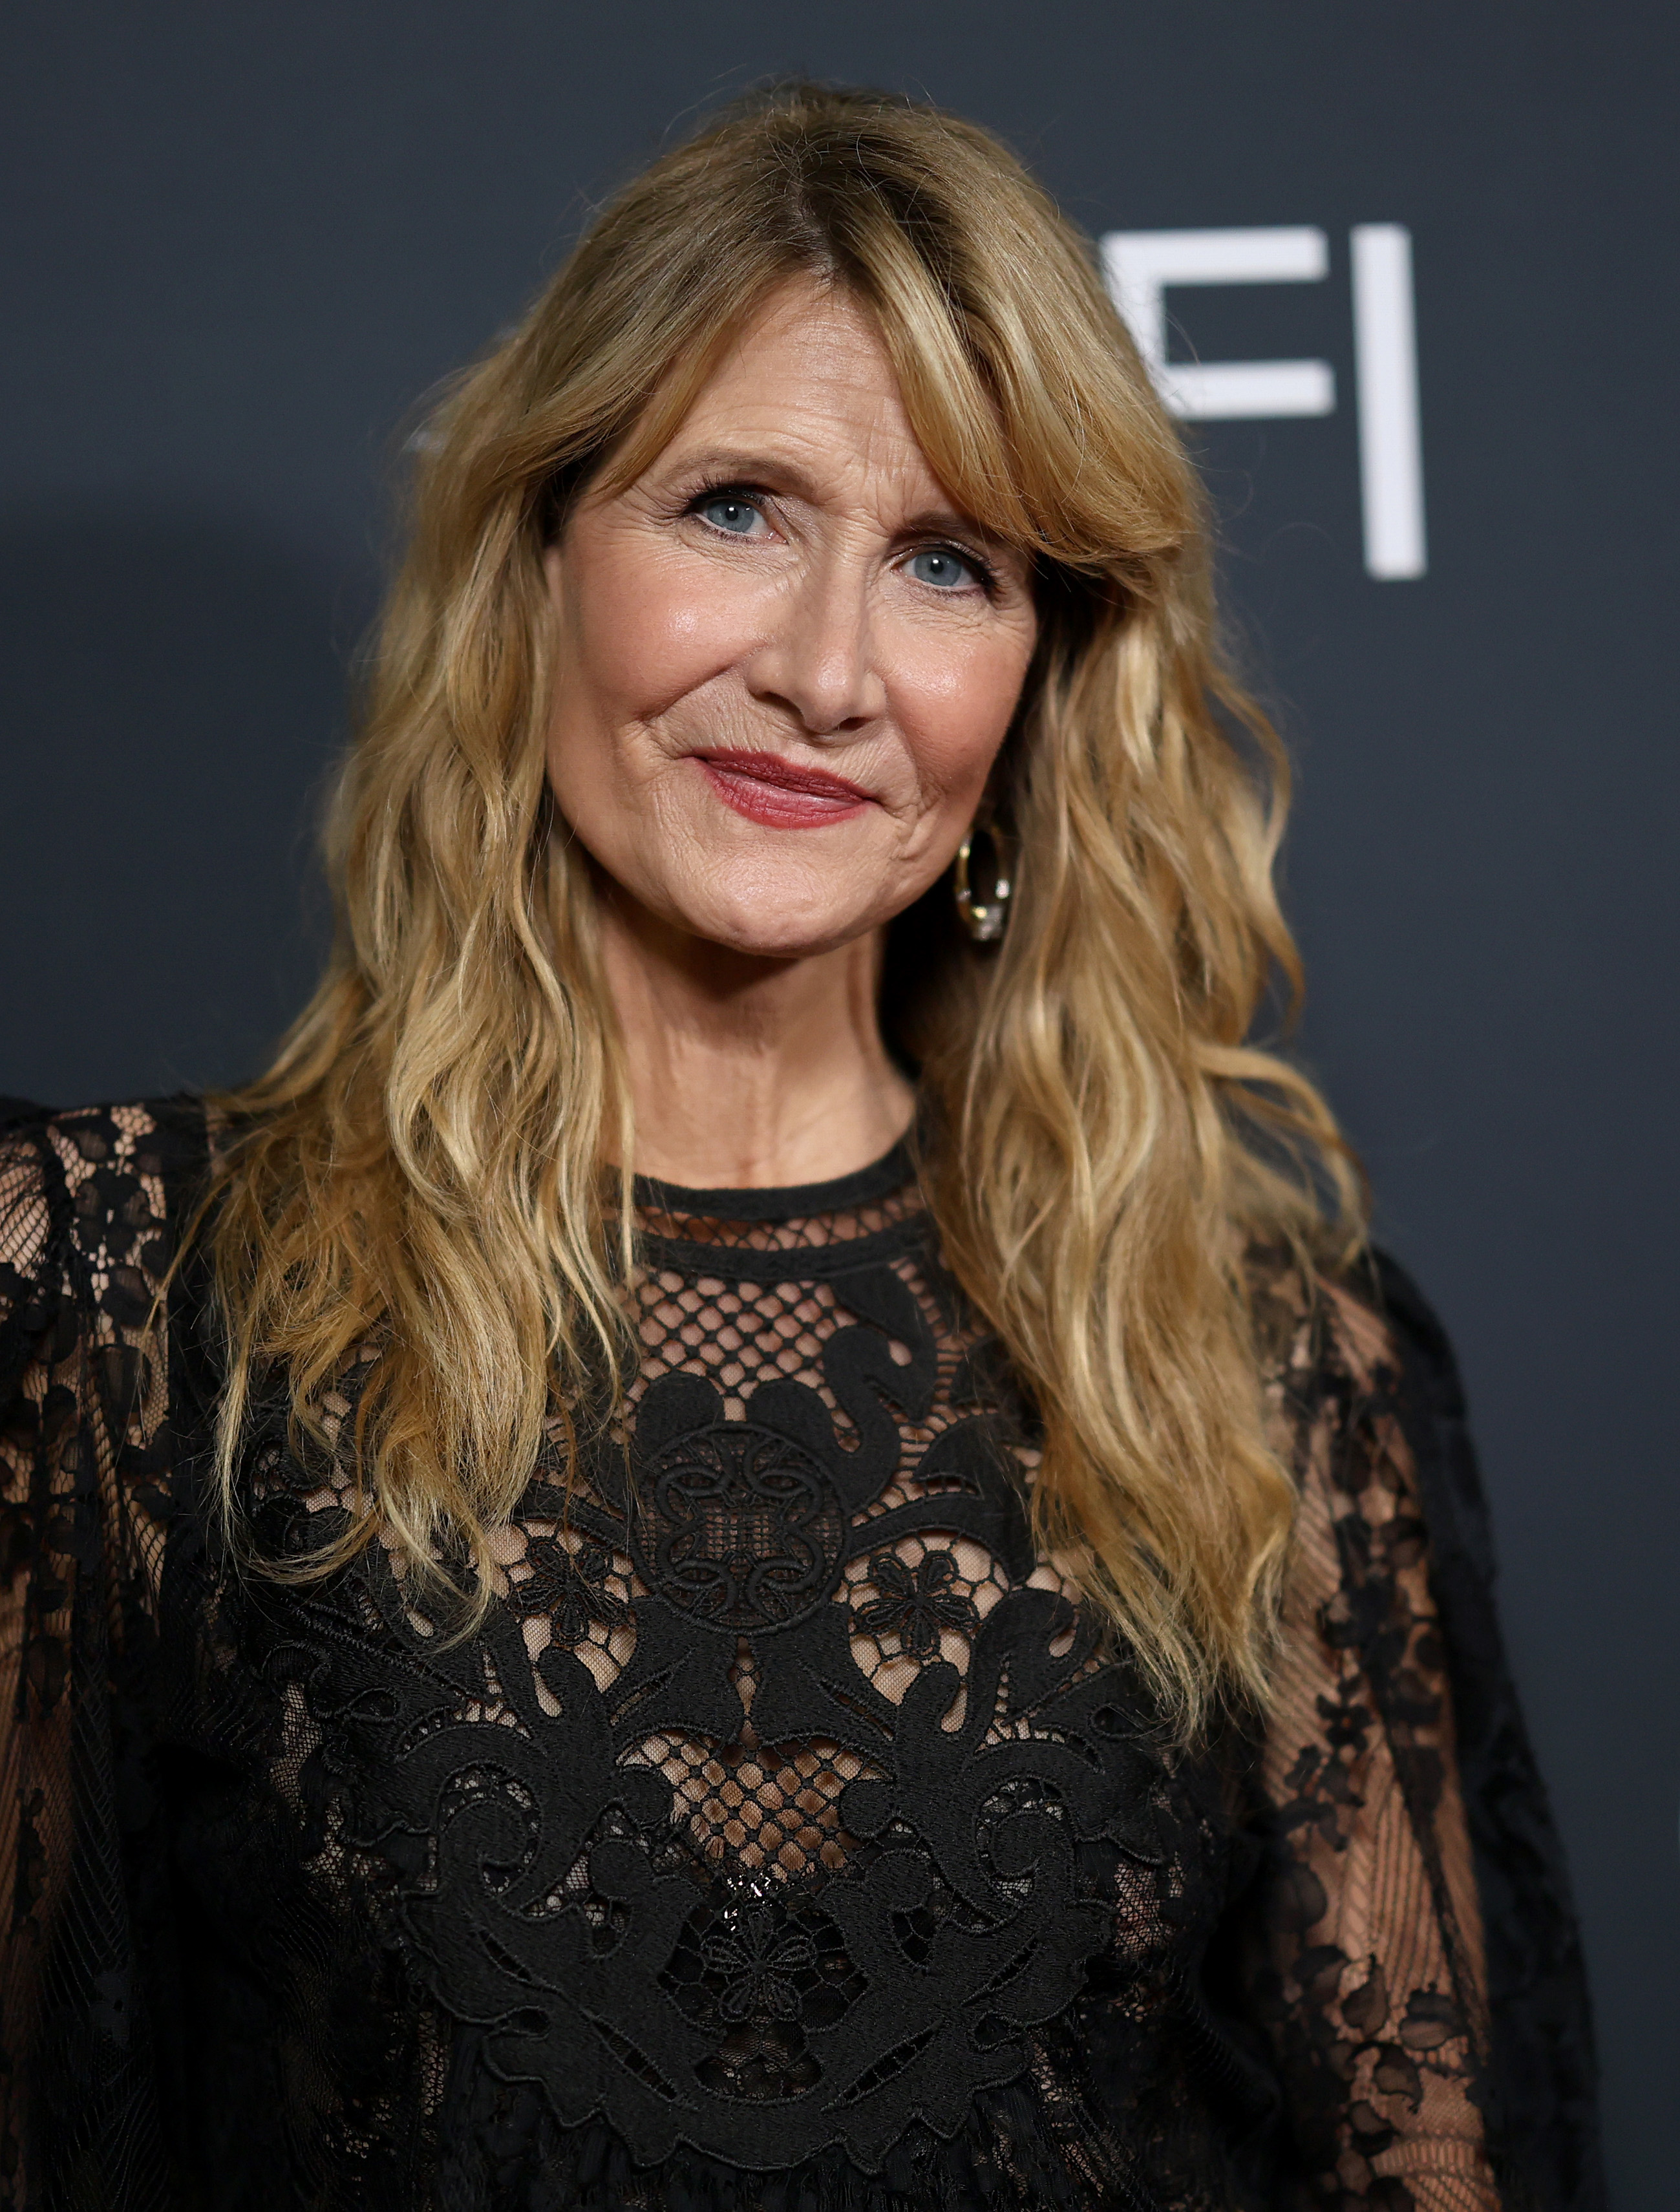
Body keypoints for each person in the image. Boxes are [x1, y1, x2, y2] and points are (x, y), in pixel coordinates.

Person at [0, 84, 1599, 2212]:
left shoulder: (1272, 1371)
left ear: (1039, 682)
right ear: (542, 557)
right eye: (738, 509)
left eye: (951, 564)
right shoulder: (114, 1295)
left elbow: (1432, 2168)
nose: (832, 672)